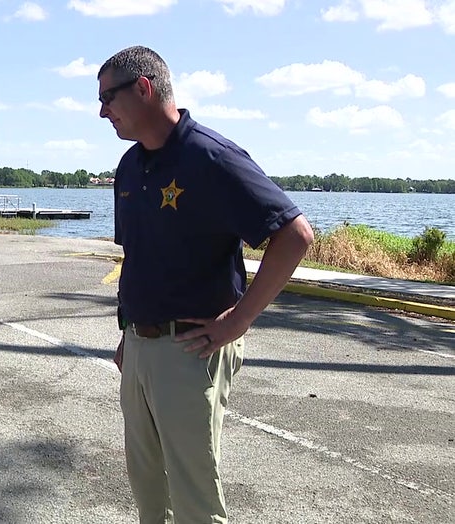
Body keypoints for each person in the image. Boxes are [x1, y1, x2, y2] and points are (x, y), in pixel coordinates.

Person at [99, 46, 314, 524]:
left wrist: (238, 321)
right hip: (139, 346)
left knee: (195, 499)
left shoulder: (211, 157)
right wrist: (127, 332)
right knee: (148, 492)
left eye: (108, 97)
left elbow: (295, 235)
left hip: (190, 348)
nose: (102, 111)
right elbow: (139, 257)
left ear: (143, 88)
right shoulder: (130, 167)